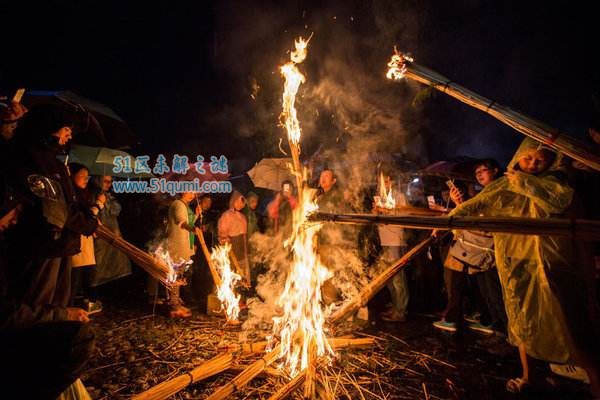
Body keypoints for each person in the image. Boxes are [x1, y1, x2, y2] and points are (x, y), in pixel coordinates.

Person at [450, 138, 600, 395]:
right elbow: (478, 205)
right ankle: (529, 376)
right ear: (518, 156)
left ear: (552, 161)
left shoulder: (557, 183)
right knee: (522, 321)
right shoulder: (505, 185)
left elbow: (557, 201)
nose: (533, 164)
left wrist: (526, 183)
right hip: (517, 264)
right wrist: (453, 216)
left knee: (570, 324)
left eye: (541, 159)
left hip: (554, 266)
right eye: (528, 157)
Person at [0, 104, 98, 398]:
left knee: (59, 312)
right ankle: (28, 379)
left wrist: (86, 216)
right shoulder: (28, 156)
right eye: (66, 129)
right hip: (40, 250)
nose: (68, 136)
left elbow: (68, 203)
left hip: (60, 247)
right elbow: (51, 207)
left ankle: (54, 377)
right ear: (49, 129)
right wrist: (83, 222)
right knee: (37, 316)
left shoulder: (54, 161)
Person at [433, 160, 508, 335]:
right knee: (485, 291)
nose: (480, 175)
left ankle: (503, 332)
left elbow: (478, 221)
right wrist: (459, 204)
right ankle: (491, 323)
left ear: (496, 171)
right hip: (476, 250)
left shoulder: (498, 192)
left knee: (494, 293)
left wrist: (458, 205)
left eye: (484, 171)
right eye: (477, 173)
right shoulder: (486, 192)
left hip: (487, 250)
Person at [373, 172, 410, 322]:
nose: (383, 184)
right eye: (381, 182)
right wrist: (375, 212)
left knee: (398, 278)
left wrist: (387, 211)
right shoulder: (379, 198)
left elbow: (405, 215)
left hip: (396, 240)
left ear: (392, 182)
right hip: (384, 240)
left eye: (386, 181)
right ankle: (395, 306)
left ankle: (401, 311)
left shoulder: (399, 196)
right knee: (389, 277)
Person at [69, 163, 104, 314]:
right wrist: (99, 204)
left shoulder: (84, 194)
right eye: (82, 176)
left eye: (87, 177)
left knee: (88, 272)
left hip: (86, 241)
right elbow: (82, 216)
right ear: (71, 176)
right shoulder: (71, 195)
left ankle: (87, 301)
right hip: (75, 240)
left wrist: (94, 223)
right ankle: (69, 306)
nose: (85, 179)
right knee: (74, 275)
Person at [90, 175, 132, 286]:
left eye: (110, 181)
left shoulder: (108, 196)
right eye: (106, 181)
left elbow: (115, 210)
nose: (109, 184)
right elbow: (92, 214)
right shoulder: (92, 195)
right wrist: (99, 202)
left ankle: (108, 291)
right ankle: (92, 293)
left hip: (112, 233)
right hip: (100, 234)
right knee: (98, 264)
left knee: (114, 262)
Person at [165, 192, 200, 318]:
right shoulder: (178, 204)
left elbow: (187, 221)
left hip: (184, 243)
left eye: (194, 192)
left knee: (179, 274)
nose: (193, 194)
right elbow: (181, 222)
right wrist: (192, 229)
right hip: (176, 244)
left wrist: (195, 214)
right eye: (190, 191)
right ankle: (174, 307)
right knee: (174, 274)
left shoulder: (185, 206)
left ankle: (176, 303)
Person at [218, 191, 250, 285]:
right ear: (233, 200)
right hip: (231, 247)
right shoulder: (226, 215)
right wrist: (226, 242)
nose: (241, 204)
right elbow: (222, 234)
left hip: (241, 247)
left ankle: (242, 293)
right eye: (239, 201)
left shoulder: (243, 217)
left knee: (243, 273)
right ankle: (231, 293)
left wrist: (246, 250)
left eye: (243, 202)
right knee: (232, 272)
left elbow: (244, 235)